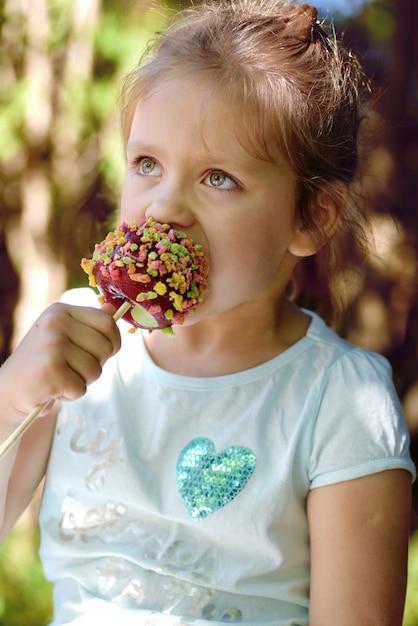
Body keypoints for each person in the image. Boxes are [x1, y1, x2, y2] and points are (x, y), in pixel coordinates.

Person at [0, 1, 415, 624]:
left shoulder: (340, 402)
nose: (164, 207)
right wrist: (11, 394)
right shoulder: (73, 343)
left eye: (218, 178)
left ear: (311, 219)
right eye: (147, 164)